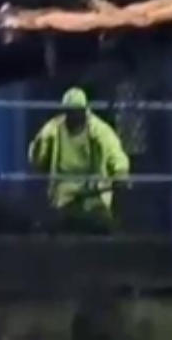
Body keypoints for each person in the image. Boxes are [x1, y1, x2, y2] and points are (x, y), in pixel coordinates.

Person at [28, 87, 130, 234]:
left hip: (94, 195)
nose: (74, 116)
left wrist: (120, 174)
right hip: (64, 197)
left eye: (77, 111)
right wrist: (40, 145)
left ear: (85, 111)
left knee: (106, 227)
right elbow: (37, 158)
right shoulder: (53, 129)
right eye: (70, 112)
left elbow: (115, 153)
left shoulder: (99, 130)